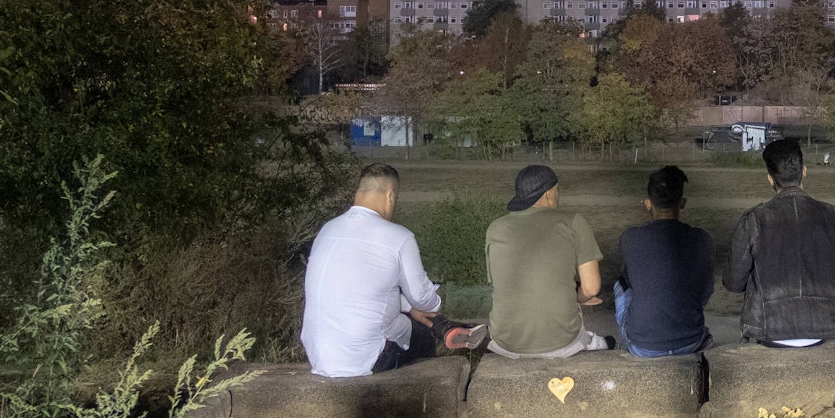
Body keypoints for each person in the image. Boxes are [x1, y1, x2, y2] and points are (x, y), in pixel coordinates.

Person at [301, 164, 484, 377]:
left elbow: (359, 287)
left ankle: (444, 328)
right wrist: (428, 305)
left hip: (318, 354)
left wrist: (409, 307)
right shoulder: (399, 236)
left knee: (406, 311)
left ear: (358, 193)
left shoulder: (328, 229)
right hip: (365, 359)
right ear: (390, 195)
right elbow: (424, 299)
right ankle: (426, 390)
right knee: (421, 334)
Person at [725, 139, 835, 347]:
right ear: (804, 171)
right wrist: (825, 287)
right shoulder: (833, 215)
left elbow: (733, 282)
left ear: (770, 179)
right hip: (824, 327)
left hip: (770, 330)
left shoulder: (754, 219)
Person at [485, 165, 616, 358]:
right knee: (575, 325)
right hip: (560, 344)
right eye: (557, 191)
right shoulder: (573, 222)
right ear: (549, 194)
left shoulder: (495, 228)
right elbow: (591, 289)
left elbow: (502, 282)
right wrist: (578, 296)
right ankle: (586, 341)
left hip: (506, 343)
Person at [614, 166, 715, 358]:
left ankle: (631, 340)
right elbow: (704, 292)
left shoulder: (630, 237)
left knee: (621, 284)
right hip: (690, 341)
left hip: (643, 345)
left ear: (648, 203)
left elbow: (629, 279)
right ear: (683, 203)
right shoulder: (701, 238)